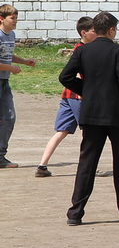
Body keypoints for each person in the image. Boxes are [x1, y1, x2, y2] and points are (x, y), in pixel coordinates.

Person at [59, 11, 119, 225]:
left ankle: (75, 213)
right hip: (116, 115)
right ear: (112, 29)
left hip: (91, 113)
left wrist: (87, 91)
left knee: (87, 162)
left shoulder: (83, 51)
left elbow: (65, 77)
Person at [36, 17, 96, 177]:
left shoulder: (82, 48)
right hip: (77, 97)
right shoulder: (82, 50)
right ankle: (89, 167)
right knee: (89, 132)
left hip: (67, 96)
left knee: (61, 130)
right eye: (93, 31)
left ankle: (42, 166)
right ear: (84, 33)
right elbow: (76, 72)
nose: (96, 33)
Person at [0, 4, 36, 169]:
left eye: (16, 18)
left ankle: (0, 156)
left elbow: (7, 55)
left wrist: (23, 62)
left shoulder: (11, 35)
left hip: (4, 81)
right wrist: (12, 69)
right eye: (12, 18)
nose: (15, 21)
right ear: (2, 18)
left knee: (9, 118)